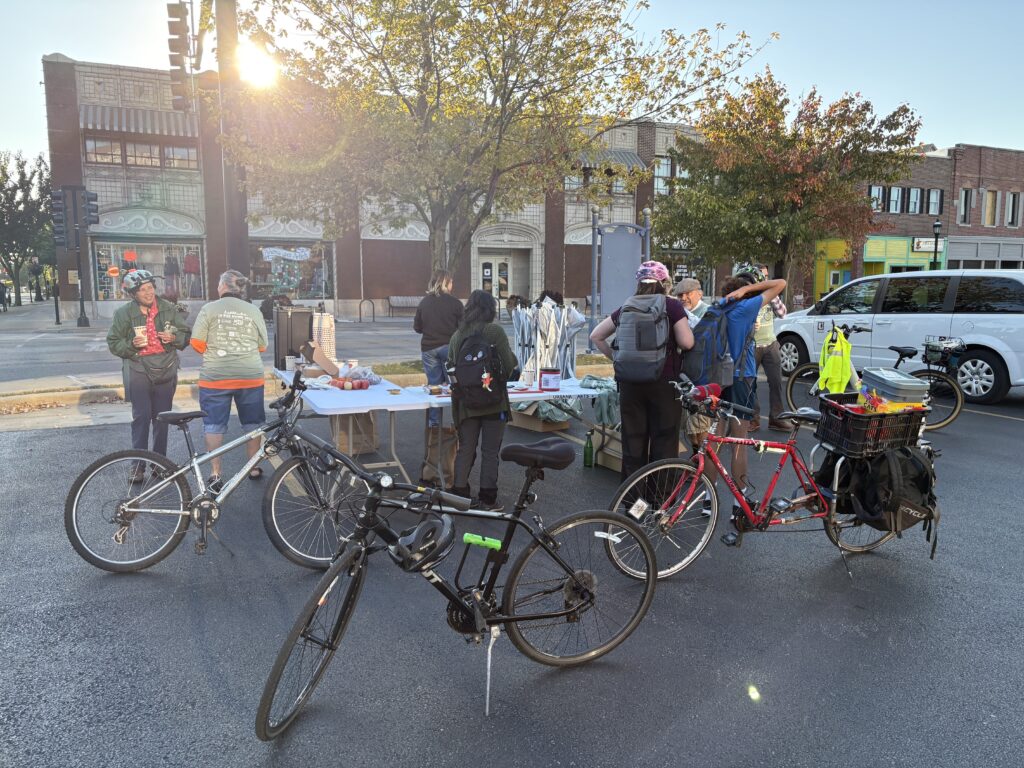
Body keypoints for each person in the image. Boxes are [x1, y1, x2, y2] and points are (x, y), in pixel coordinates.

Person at [590, 261, 695, 480]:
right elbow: (686, 343)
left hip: (630, 384)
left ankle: (633, 505)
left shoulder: (626, 306)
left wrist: (617, 359)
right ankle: (660, 506)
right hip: (664, 383)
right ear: (664, 282)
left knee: (633, 444)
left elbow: (596, 336)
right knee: (664, 445)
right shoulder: (671, 306)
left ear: (638, 283)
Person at [710, 273, 788, 503]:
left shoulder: (720, 309)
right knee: (739, 441)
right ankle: (739, 500)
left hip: (717, 377)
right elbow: (780, 284)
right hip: (741, 377)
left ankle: (707, 496)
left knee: (715, 438)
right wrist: (747, 290)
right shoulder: (745, 306)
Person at [189, 270, 269, 491]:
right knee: (253, 423)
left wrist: (218, 351)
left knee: (213, 425)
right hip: (249, 376)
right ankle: (253, 467)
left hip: (216, 377)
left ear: (222, 286)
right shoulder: (253, 310)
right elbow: (263, 346)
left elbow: (196, 342)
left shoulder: (209, 309)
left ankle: (215, 473)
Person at [106, 270, 191, 473]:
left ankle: (159, 463)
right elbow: (113, 342)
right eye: (142, 290)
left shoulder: (168, 308)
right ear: (133, 294)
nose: (148, 293)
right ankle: (138, 465)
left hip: (166, 367)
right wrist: (131, 344)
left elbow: (186, 334)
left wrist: (174, 338)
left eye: (150, 288)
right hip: (138, 368)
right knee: (141, 418)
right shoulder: (123, 314)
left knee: (162, 419)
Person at [446, 290, 518, 512]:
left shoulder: (458, 334)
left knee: (466, 448)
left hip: (467, 403)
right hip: (494, 401)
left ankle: (459, 495)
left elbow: (450, 368)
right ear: (491, 309)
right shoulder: (495, 332)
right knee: (490, 451)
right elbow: (509, 365)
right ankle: (488, 499)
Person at [740, 264, 793, 433]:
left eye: (766, 276)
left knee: (776, 382)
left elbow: (783, 313)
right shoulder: (747, 296)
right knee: (750, 384)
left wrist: (774, 295)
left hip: (770, 344)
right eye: (762, 276)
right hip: (751, 345)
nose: (765, 279)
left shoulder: (770, 295)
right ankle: (753, 419)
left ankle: (776, 418)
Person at [414, 269, 463, 429]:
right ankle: (460, 421)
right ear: (446, 283)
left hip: (429, 348)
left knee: (434, 386)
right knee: (455, 386)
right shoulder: (455, 303)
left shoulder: (424, 302)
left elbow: (417, 327)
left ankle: (434, 425)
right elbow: (463, 328)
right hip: (450, 347)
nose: (452, 284)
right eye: (451, 281)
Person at [671, 277, 713, 453]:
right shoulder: (679, 312)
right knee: (690, 426)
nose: (684, 297)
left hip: (702, 375)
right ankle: (697, 457)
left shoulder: (708, 313)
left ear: (700, 294)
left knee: (700, 424)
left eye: (688, 293)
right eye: (680, 294)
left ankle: (703, 464)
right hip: (685, 374)